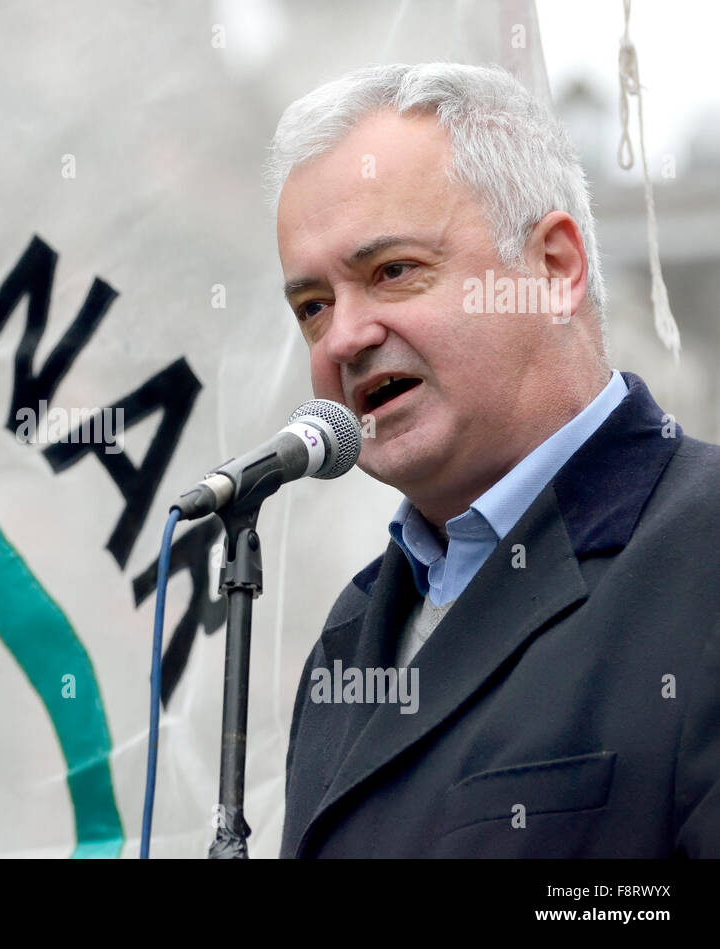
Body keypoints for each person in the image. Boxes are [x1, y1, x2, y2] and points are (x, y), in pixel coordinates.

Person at [266, 62, 720, 857]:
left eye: (393, 271)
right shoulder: (347, 639)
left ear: (554, 268)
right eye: (313, 306)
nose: (342, 337)